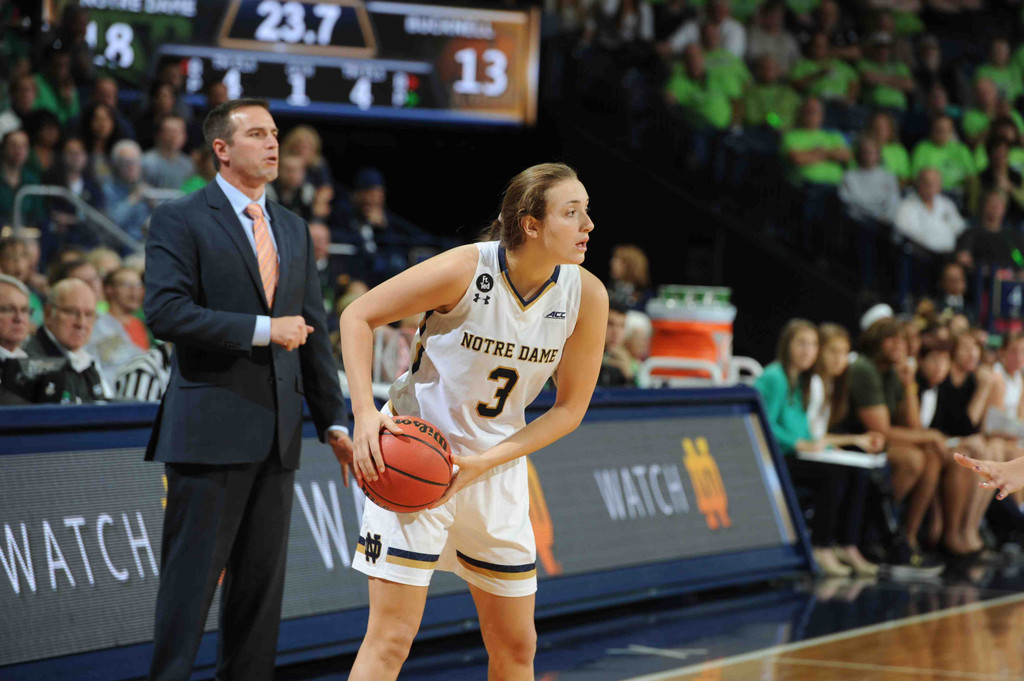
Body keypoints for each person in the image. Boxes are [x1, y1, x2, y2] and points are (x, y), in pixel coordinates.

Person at [340, 162, 606, 680]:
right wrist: (365, 414)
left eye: (587, 211)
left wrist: (485, 462)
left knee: (516, 645)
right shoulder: (467, 268)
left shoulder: (586, 295)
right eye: (572, 213)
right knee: (391, 638)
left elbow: (570, 409)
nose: (588, 225)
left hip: (493, 468)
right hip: (413, 457)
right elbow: (357, 316)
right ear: (531, 224)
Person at [143, 98, 353, 681]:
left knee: (259, 601)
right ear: (222, 148)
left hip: (279, 437)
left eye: (275, 133)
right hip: (208, 433)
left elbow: (314, 334)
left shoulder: (291, 227)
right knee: (187, 597)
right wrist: (263, 331)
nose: (272, 144)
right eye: (257, 133)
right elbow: (164, 312)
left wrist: (334, 422)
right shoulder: (179, 217)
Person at [754, 320, 881, 576]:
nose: (808, 351)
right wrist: (798, 443)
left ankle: (846, 544)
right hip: (774, 457)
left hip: (795, 454)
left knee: (853, 471)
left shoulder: (801, 381)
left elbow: (808, 432)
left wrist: (832, 449)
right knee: (833, 475)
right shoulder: (775, 376)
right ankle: (820, 546)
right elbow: (762, 422)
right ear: (787, 344)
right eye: (801, 343)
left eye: (812, 345)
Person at [23, 277, 111, 402]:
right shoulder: (29, 363)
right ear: (48, 313)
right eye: (71, 312)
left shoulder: (88, 364)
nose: (81, 323)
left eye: (89, 314)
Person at [894, 167, 966, 254]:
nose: (931, 186)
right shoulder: (907, 206)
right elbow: (908, 237)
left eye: (935, 182)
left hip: (950, 255)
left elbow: (960, 229)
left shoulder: (947, 204)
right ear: (918, 183)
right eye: (927, 182)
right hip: (922, 258)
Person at [141, 114, 194, 190]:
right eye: (170, 131)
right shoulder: (147, 163)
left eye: (179, 131)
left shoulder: (188, 164)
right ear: (159, 135)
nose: (174, 136)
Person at [599, 298, 637, 386]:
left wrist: (629, 376)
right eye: (610, 324)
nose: (616, 332)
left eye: (621, 326)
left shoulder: (630, 360)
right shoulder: (585, 356)